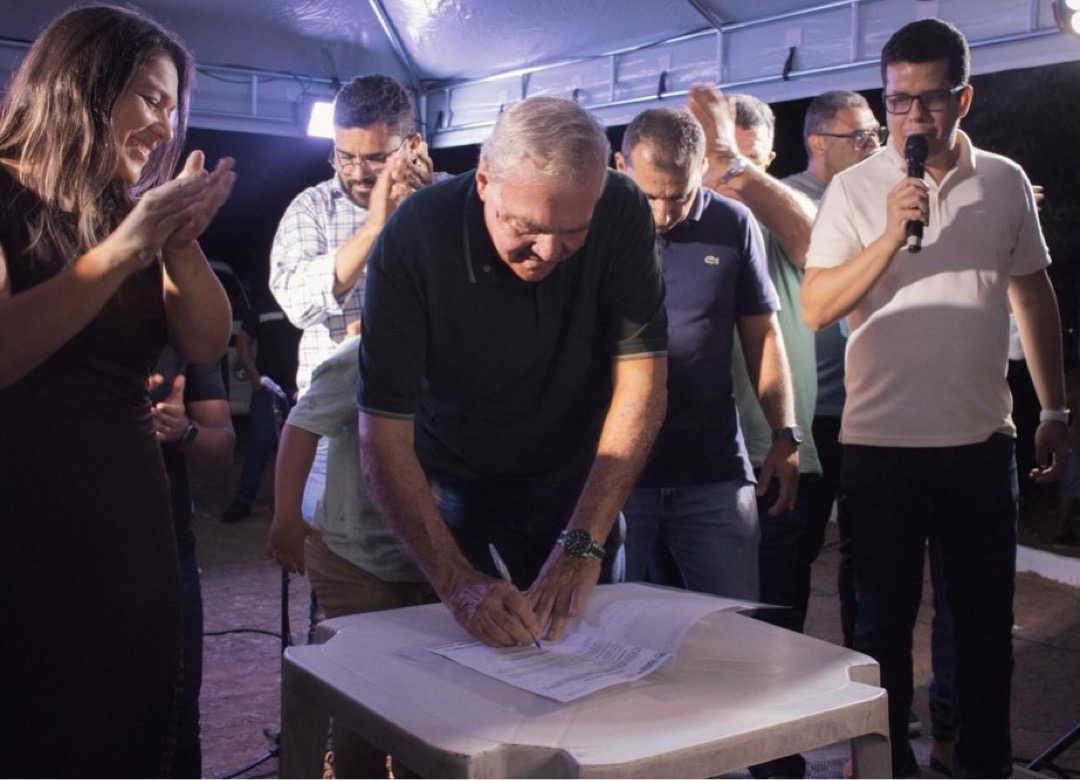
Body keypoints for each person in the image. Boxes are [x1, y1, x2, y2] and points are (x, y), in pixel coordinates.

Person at [801, 18, 1068, 778]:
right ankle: (886, 765)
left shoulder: (1004, 180)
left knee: (982, 627)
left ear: (964, 98)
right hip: (880, 448)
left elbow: (1032, 292)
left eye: (931, 99)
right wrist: (889, 235)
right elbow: (817, 306)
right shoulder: (855, 189)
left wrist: (1053, 409)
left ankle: (974, 759)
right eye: (898, 101)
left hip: (981, 443)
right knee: (879, 629)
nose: (913, 117)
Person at [0, 4, 235, 776]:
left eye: (173, 108)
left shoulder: (124, 214)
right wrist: (124, 249)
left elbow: (205, 341)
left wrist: (180, 246)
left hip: (127, 526)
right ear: (84, 85)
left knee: (135, 726)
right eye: (151, 99)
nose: (165, 127)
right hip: (22, 523)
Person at [357, 95, 668, 647]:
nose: (547, 251)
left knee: (587, 661)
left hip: (582, 481)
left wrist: (583, 542)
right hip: (461, 488)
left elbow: (641, 384)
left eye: (573, 232)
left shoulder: (622, 208)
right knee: (471, 668)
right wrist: (456, 583)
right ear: (484, 180)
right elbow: (382, 435)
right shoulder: (416, 236)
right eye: (526, 226)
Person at [613, 105, 797, 602]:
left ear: (701, 170)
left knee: (735, 623)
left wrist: (785, 432)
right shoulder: (592, 226)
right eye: (649, 196)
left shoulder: (733, 223)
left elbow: (763, 335)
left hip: (712, 468)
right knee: (607, 624)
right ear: (620, 165)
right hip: (615, 472)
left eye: (679, 196)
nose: (663, 214)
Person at [269, 73, 435, 523]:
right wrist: (376, 226)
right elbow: (297, 303)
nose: (358, 172)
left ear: (412, 145)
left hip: (429, 426)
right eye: (345, 157)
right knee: (334, 556)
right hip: (334, 432)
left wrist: (428, 209)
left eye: (376, 158)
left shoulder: (446, 200)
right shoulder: (312, 207)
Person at [268, 334, 435, 778]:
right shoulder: (364, 353)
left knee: (422, 700)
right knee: (363, 701)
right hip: (357, 556)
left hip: (430, 557)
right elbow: (303, 424)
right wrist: (286, 515)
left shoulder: (461, 341)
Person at [783, 89, 883, 645]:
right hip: (811, 411)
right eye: (860, 135)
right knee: (796, 547)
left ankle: (863, 667)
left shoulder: (880, 198)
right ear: (818, 142)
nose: (873, 145)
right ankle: (785, 669)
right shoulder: (790, 200)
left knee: (867, 553)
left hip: (871, 407)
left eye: (875, 134)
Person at [151, 349, 235, 779]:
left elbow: (221, 447)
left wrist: (183, 431)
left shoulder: (183, 333)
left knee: (178, 719)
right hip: (60, 550)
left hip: (167, 550)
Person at [221, 291, 301, 522]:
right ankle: (243, 502)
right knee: (259, 445)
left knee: (306, 448)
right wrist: (254, 377)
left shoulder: (310, 301)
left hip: (306, 389)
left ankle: (300, 506)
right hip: (269, 390)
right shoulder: (264, 304)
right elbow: (242, 340)